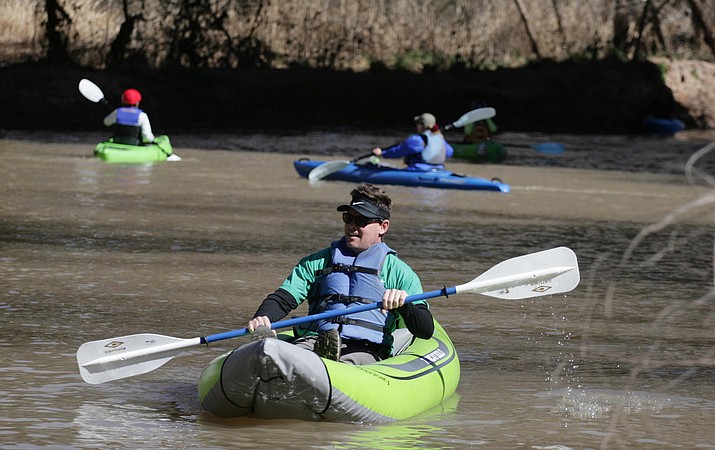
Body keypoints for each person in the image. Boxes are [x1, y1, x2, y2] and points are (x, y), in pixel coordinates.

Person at [247, 183, 434, 365]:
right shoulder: (316, 262)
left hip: (365, 350)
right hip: (315, 341)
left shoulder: (399, 272)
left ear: (383, 227)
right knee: (297, 354)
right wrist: (263, 317)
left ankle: (323, 364)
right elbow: (283, 299)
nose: (352, 225)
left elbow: (425, 330)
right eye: (348, 218)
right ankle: (273, 353)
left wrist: (405, 304)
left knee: (344, 362)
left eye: (361, 220)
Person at [371, 113, 454, 171]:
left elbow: (398, 151)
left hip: (417, 170)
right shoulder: (440, 139)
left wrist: (382, 153)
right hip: (438, 170)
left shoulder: (416, 140)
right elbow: (450, 152)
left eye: (418, 124)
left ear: (421, 125)